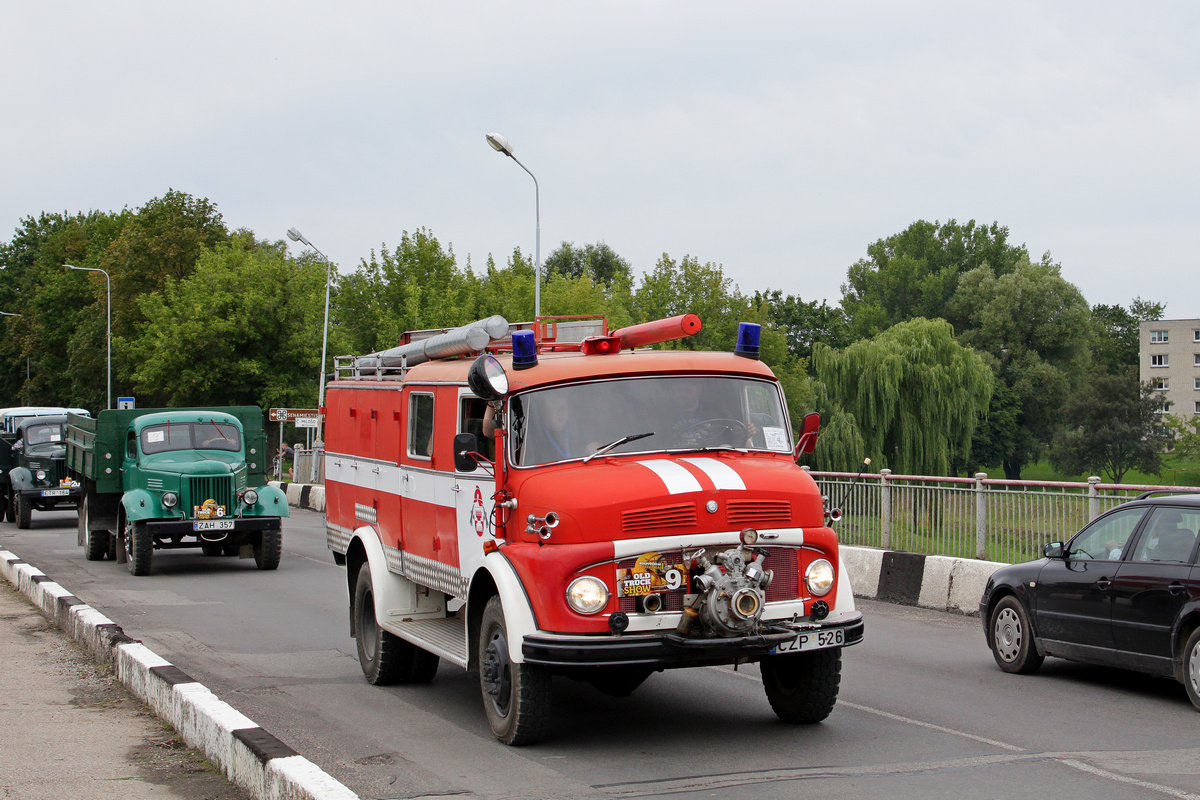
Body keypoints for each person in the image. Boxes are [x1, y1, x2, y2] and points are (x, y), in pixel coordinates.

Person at [669, 379, 757, 448]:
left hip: (715, 460)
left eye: (687, 390)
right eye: (678, 390)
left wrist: (745, 433)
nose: (681, 394)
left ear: (698, 389)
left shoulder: (719, 413)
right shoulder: (664, 415)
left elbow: (739, 442)